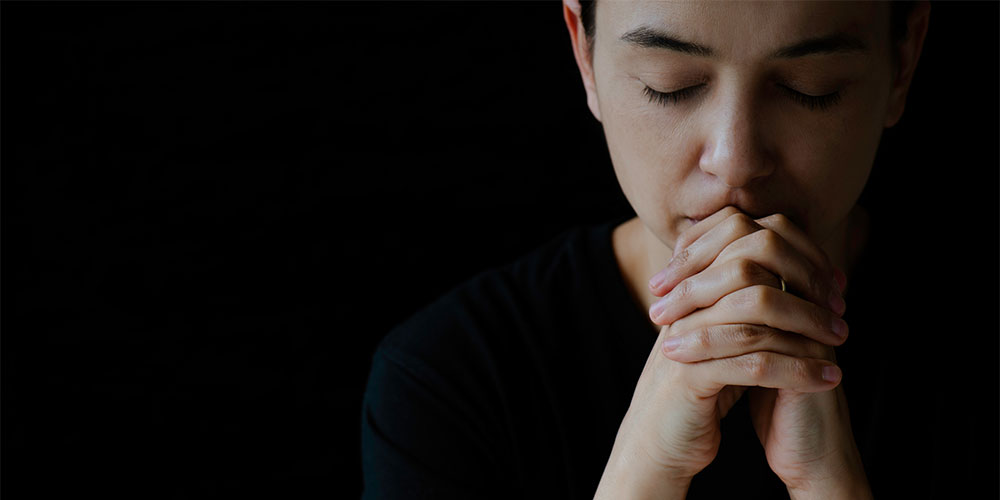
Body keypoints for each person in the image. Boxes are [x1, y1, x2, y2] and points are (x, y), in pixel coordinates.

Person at [361, 1, 930, 498]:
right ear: (585, 54)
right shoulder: (447, 380)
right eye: (671, 84)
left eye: (812, 87)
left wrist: (830, 487)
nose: (734, 160)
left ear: (901, 62)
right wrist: (646, 474)